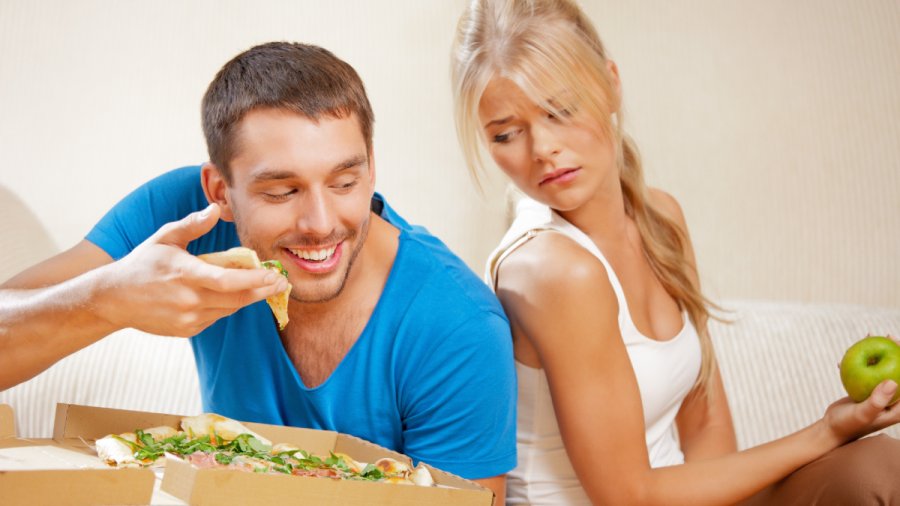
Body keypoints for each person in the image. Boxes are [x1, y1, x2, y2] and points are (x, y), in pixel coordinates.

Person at [0, 41, 515, 498]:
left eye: (344, 182)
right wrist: (109, 299)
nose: (320, 223)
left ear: (371, 167)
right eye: (282, 191)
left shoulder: (457, 326)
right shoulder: (184, 220)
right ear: (220, 191)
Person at [451, 0, 900, 504]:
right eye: (506, 134)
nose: (542, 149)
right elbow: (629, 496)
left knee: (879, 468)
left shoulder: (661, 219)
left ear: (611, 84)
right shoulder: (553, 270)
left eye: (561, 110)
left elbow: (706, 426)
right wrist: (827, 431)